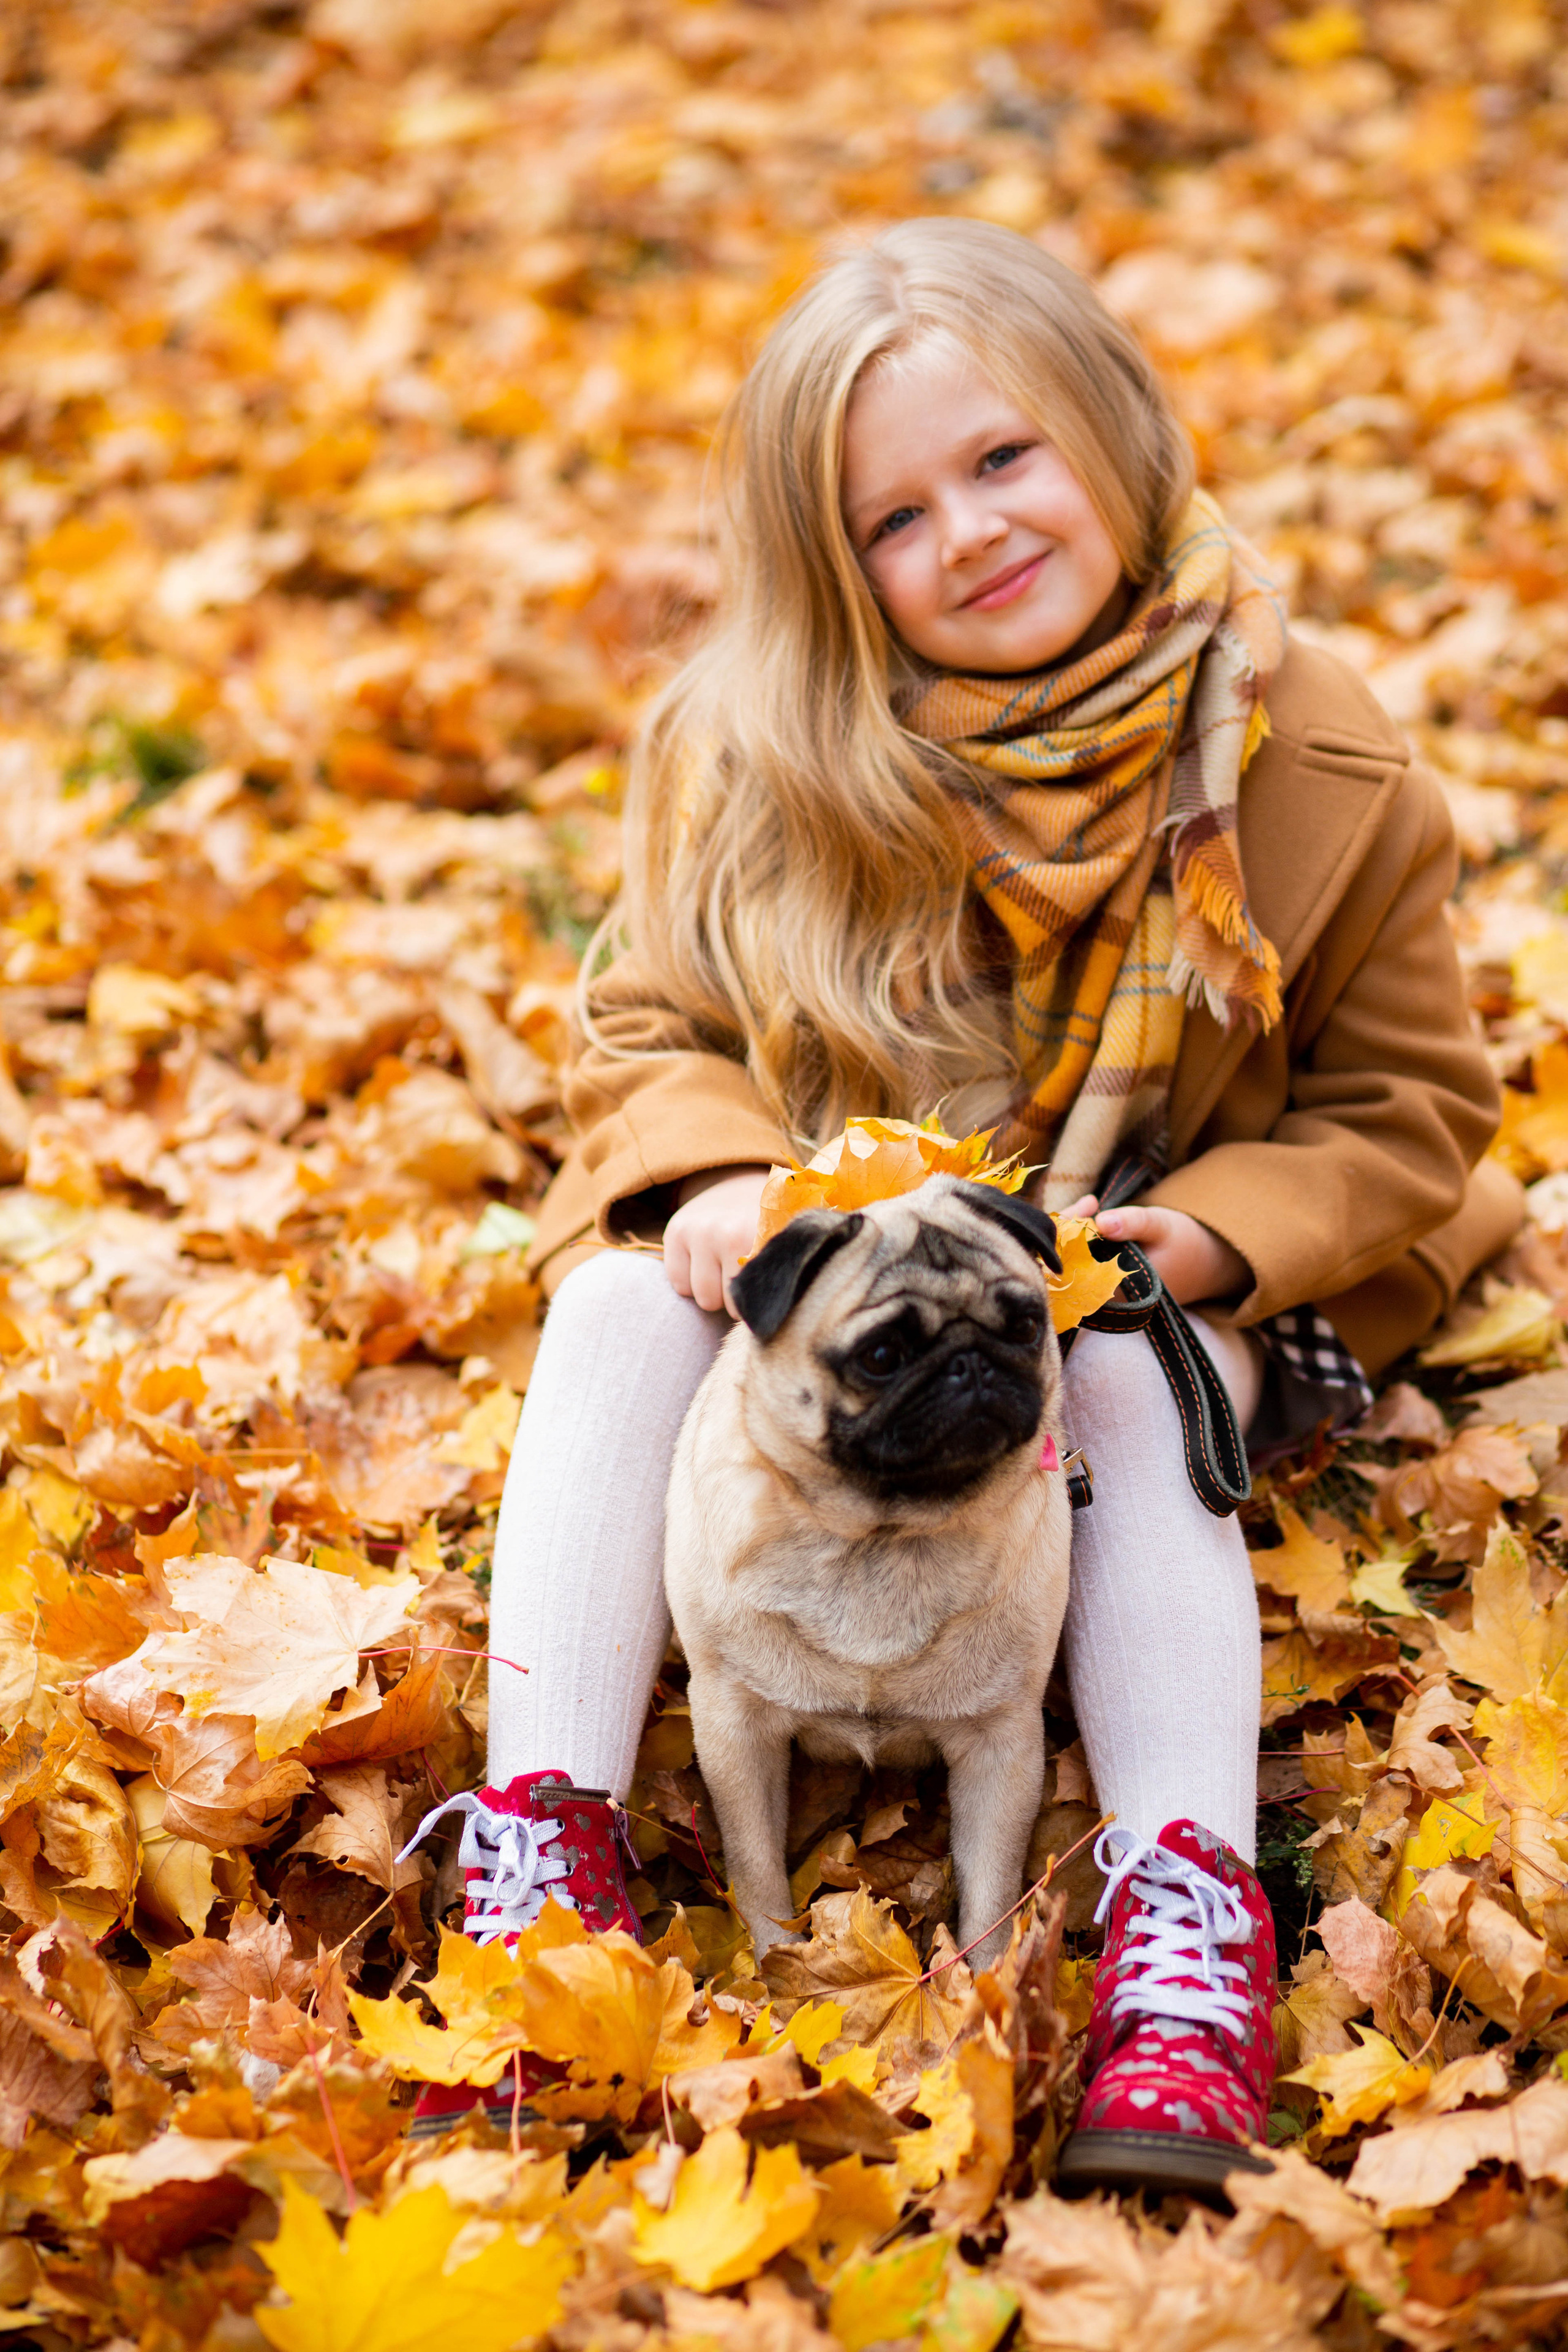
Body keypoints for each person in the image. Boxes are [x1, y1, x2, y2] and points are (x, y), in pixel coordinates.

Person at [403, 218, 1519, 2192]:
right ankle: (542, 1855)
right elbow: (648, 1018)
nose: (975, 533)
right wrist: (727, 1173)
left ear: (1107, 422)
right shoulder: (757, 752)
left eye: (1003, 458)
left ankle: (1185, 1931)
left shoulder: (1323, 756)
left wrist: (1192, 1244)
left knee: (1114, 1367)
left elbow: (1409, 1110)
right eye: (896, 518)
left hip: (1176, 1248)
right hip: (845, 1256)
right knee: (604, 1313)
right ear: (838, 577)